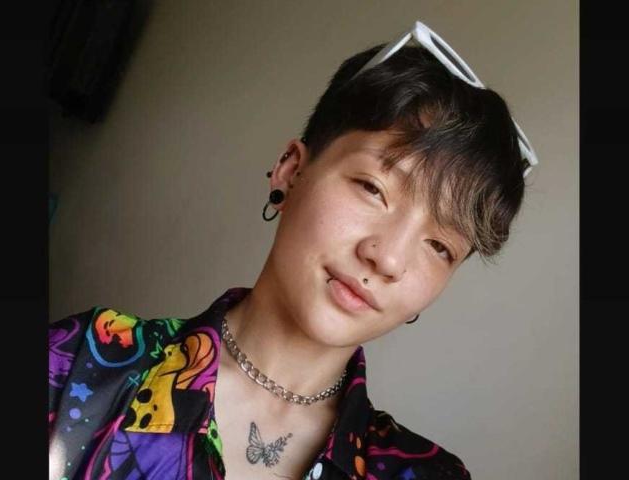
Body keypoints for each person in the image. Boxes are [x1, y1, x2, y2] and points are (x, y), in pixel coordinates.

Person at [49, 20, 538, 480]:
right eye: (373, 189)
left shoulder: (428, 473)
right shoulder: (81, 365)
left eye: (439, 246)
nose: (388, 258)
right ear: (290, 170)